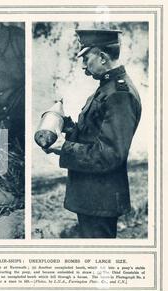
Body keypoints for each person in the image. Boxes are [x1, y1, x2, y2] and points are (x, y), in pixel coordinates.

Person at [45, 29, 142, 238]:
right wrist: (65, 127)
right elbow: (94, 134)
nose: (83, 66)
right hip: (93, 196)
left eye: (86, 58)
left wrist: (65, 148)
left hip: (100, 198)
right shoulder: (107, 88)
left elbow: (110, 154)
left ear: (102, 57)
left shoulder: (119, 95)